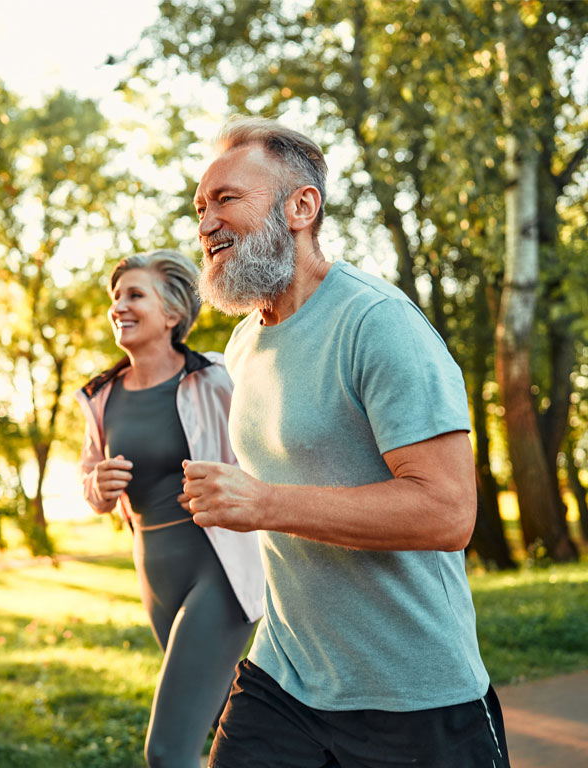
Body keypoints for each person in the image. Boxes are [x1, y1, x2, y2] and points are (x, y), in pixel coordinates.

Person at [182, 115, 509, 767]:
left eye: (226, 199)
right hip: (286, 677)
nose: (206, 222)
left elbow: (448, 511)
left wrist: (266, 504)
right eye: (198, 207)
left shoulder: (377, 325)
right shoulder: (246, 342)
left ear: (301, 207)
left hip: (414, 698)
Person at [77, 249, 266, 768]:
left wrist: (223, 485)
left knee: (167, 751)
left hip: (218, 569)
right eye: (115, 297)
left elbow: (265, 462)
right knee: (235, 730)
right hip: (155, 573)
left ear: (172, 314)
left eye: (135, 295)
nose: (119, 306)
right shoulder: (101, 396)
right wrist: (98, 485)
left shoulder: (218, 379)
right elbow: (89, 480)